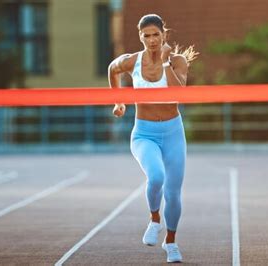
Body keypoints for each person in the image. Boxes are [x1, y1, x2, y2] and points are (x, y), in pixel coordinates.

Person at [108, 14, 198, 263]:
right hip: (144, 133)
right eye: (146, 35)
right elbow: (112, 70)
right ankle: (154, 219)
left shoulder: (178, 61)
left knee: (173, 191)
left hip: (173, 133)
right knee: (156, 176)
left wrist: (166, 61)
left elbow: (177, 93)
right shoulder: (132, 61)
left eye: (155, 34)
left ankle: (171, 242)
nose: (151, 39)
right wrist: (119, 101)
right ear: (140, 37)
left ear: (164, 35)